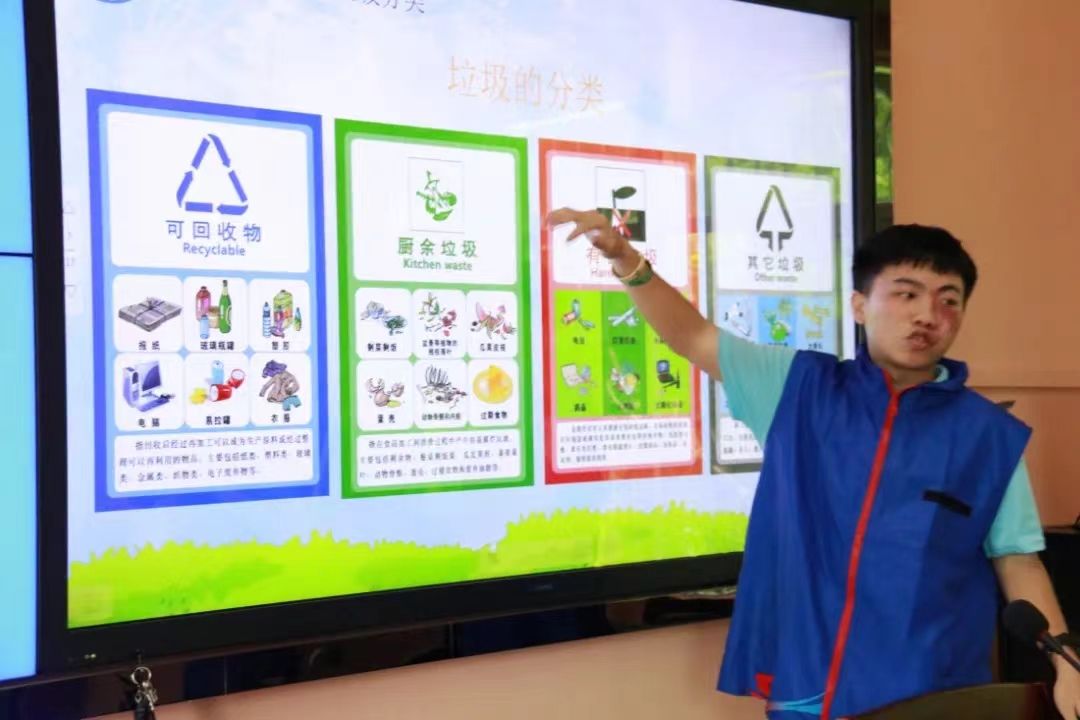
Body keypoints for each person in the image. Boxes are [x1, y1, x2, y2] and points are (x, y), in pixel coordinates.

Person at [546, 208, 1080, 720]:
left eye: (949, 300)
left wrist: (1066, 662)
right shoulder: (798, 387)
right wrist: (625, 259)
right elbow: (692, 336)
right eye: (906, 294)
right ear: (859, 305)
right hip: (810, 686)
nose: (927, 315)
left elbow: (1018, 558)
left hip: (934, 689)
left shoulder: (988, 434)